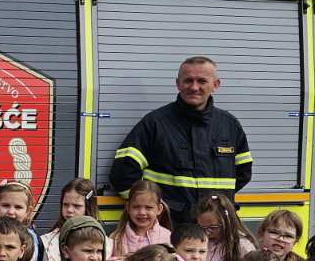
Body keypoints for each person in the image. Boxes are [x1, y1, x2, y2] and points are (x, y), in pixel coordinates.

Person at [108, 56, 252, 224]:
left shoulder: (229, 125)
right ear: (178, 83)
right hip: (169, 227)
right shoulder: (155, 123)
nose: (194, 87)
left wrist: (217, 204)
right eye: (188, 81)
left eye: (202, 81)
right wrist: (150, 210)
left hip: (216, 228)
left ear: (216, 85)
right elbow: (122, 174)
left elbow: (243, 173)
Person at [38, 178, 104, 261]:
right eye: (65, 205)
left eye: (76, 206)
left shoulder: (107, 243)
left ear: (89, 207)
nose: (69, 210)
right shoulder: (47, 241)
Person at [0, 180, 43, 261]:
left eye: (18, 207)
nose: (11, 212)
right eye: (5, 205)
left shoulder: (32, 239)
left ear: (28, 211)